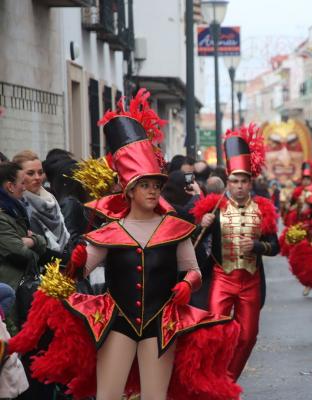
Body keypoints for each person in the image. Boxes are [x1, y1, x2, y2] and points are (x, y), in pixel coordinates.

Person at [2, 89, 241, 400]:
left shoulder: (175, 229)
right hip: (117, 323)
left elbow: (193, 272)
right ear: (129, 190)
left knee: (156, 396)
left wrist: (187, 285)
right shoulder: (109, 233)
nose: (153, 191)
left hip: (160, 324)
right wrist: (74, 261)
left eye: (156, 185)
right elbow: (76, 274)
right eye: (145, 185)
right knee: (108, 396)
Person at [192, 123, 280, 381]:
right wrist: (202, 225)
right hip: (222, 278)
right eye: (235, 181)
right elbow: (193, 244)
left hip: (250, 281)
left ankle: (227, 382)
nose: (239, 186)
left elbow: (276, 247)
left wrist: (258, 246)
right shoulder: (214, 208)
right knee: (215, 332)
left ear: (250, 183)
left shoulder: (263, 209)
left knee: (248, 337)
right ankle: (217, 380)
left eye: (244, 181)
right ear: (228, 182)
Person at [0, 162, 47, 311]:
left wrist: (32, 241)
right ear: (10, 186)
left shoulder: (15, 211)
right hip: (9, 290)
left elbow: (42, 241)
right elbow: (20, 253)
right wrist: (36, 245)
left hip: (18, 288)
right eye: (22, 183)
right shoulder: (2, 217)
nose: (24, 187)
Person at [12, 150, 70, 262]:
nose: (37, 177)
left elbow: (65, 237)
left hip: (60, 268)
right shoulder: (16, 205)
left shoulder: (50, 199)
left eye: (40, 172)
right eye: (30, 173)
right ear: (17, 176)